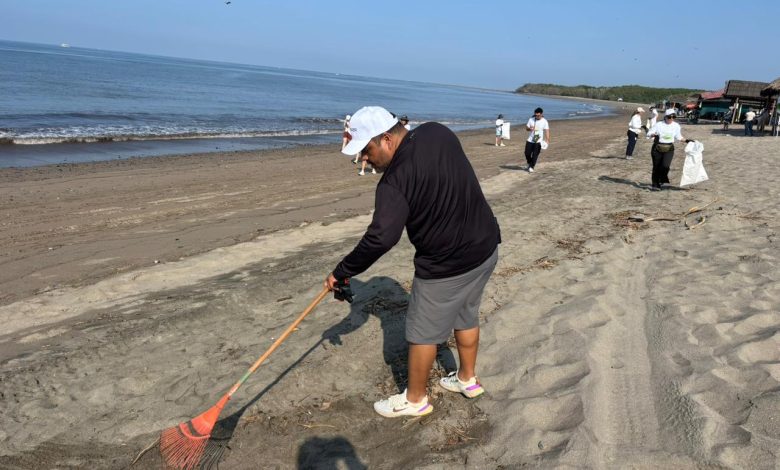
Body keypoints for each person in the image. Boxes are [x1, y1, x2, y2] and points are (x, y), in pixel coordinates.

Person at [325, 106, 501, 418]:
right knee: (466, 314)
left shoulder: (394, 182)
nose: (363, 160)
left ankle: (416, 399)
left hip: (446, 264)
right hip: (485, 247)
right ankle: (467, 379)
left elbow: (381, 238)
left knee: (422, 333)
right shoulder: (438, 131)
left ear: (387, 140)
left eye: (365, 151)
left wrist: (342, 271)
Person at [646, 108, 688, 190]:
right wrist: (653, 134)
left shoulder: (676, 125)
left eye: (673, 117)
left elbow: (678, 136)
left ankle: (662, 178)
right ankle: (655, 184)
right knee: (656, 167)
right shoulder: (659, 124)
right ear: (665, 117)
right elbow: (649, 133)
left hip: (669, 149)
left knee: (665, 166)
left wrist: (687, 140)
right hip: (657, 148)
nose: (671, 119)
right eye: (669, 117)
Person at [524, 107, 550, 172]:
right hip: (530, 139)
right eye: (535, 115)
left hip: (538, 140)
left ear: (541, 114)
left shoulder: (544, 121)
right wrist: (530, 129)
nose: (537, 116)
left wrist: (547, 140)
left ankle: (532, 167)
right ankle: (529, 163)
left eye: (538, 115)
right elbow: (526, 128)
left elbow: (547, 131)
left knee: (535, 154)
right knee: (527, 153)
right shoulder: (531, 119)